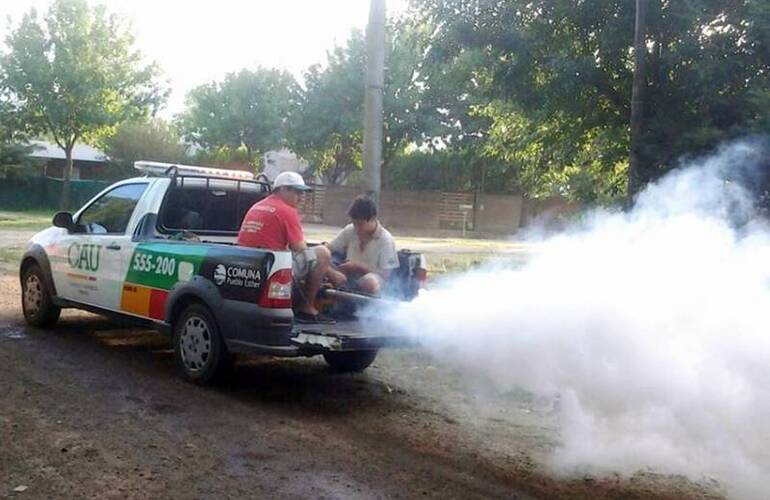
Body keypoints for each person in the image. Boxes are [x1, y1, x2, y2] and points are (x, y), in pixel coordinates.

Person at [237, 171, 345, 324]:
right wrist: (332, 274)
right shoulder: (287, 211)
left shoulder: (258, 205)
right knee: (322, 253)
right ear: (283, 189)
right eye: (297, 192)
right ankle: (307, 308)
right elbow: (302, 250)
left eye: (303, 193)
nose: (301, 197)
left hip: (249, 265)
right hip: (271, 268)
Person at [326, 195, 399, 296]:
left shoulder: (385, 239)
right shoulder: (350, 230)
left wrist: (358, 267)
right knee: (322, 262)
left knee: (369, 282)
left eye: (360, 224)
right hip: (347, 276)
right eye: (354, 223)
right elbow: (328, 249)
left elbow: (385, 276)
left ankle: (366, 309)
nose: (356, 228)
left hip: (374, 281)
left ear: (372, 219)